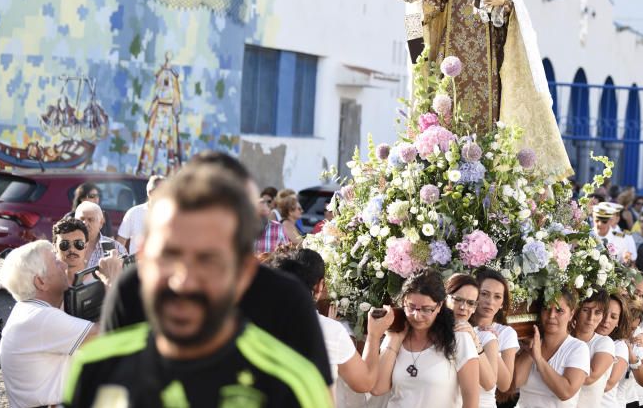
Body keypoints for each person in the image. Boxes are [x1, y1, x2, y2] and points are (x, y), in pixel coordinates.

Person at [65, 162, 332, 407]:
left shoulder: (292, 381)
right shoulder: (96, 369)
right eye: (169, 254)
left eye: (208, 261)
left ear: (243, 272)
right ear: (144, 255)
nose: (183, 281)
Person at [403, 0, 570, 175]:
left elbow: (507, 9)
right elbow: (435, 3)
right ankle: (448, 163)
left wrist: (500, 2)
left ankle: (487, 167)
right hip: (452, 57)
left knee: (487, 113)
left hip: (484, 60)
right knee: (449, 108)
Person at [264, 245, 392, 403]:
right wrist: (374, 335)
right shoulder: (330, 331)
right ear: (320, 286)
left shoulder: (255, 321)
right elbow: (364, 382)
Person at [0, 239, 96, 408]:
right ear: (40, 281)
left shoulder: (28, 311)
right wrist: (115, 281)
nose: (64, 265)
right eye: (56, 262)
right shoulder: (41, 318)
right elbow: (110, 334)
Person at [373, 270, 479, 407]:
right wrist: (395, 340)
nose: (417, 316)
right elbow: (378, 388)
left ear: (440, 306)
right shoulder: (395, 336)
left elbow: (471, 400)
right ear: (403, 302)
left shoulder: (459, 338)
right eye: (411, 307)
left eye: (426, 309)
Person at [512, 288, 590, 407]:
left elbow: (566, 392)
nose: (551, 315)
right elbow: (516, 382)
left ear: (571, 314)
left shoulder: (578, 348)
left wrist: (538, 359)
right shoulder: (532, 343)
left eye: (559, 310)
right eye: (546, 309)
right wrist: (529, 352)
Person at [446, 273, 502, 406]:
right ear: (444, 298)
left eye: (470, 303)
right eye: (457, 299)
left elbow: (489, 383)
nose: (463, 307)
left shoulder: (473, 335)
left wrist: (476, 340)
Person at [472, 268, 519, 401]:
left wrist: (491, 345)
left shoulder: (506, 333)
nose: (490, 301)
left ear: (502, 304)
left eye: (497, 296)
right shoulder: (461, 325)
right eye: (485, 294)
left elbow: (504, 385)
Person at [570, 290, 616, 408]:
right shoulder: (564, 339)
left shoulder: (604, 343)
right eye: (586, 310)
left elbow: (588, 378)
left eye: (597, 312)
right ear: (575, 311)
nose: (591, 318)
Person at [53, 217, 121, 287]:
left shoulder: (100, 278)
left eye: (79, 244)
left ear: (86, 246)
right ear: (55, 247)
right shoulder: (46, 282)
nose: (72, 249)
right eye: (64, 244)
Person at [594, 292, 633, 408]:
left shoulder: (619, 346)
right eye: (603, 313)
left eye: (613, 317)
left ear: (618, 323)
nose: (606, 320)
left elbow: (608, 384)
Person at [115, 173, 163, 254]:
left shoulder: (172, 215)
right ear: (150, 193)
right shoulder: (134, 213)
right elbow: (120, 244)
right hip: (137, 264)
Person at [74, 200, 127, 268]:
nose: (85, 223)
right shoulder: (66, 246)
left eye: (90, 220)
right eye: (81, 219)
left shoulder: (117, 248)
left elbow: (126, 275)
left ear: (101, 223)